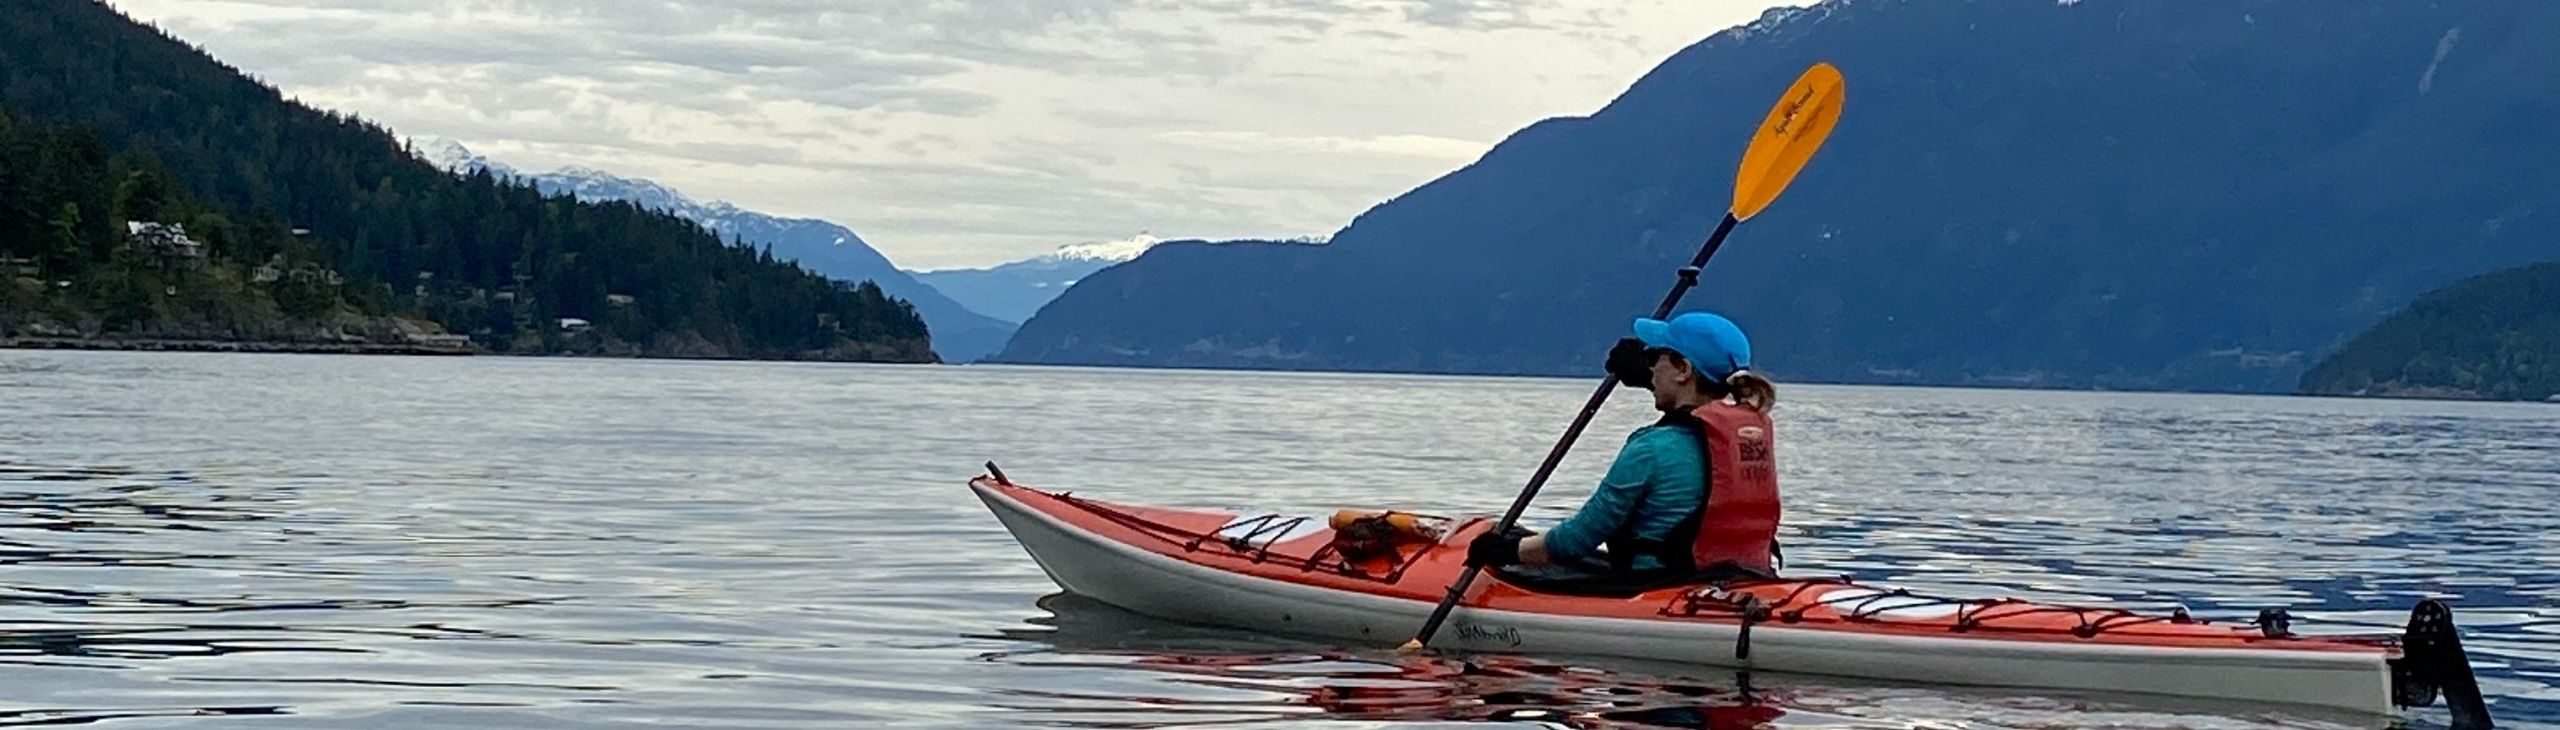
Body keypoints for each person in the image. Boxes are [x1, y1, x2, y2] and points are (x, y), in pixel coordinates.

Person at [1466, 311, 1783, 583]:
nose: (1651, 366)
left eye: (1654, 357)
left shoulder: (1650, 449)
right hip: (1739, 580)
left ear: (1683, 369)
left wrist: (1507, 551)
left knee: (1515, 545)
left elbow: (1577, 541)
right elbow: (1695, 414)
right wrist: (1652, 380)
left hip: (1657, 587)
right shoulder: (1748, 434)